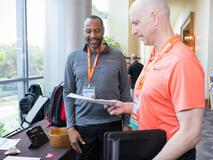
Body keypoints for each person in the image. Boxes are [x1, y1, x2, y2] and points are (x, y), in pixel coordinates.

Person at [106, 0, 205, 159]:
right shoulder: (154, 56)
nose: (133, 31)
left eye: (136, 23)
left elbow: (190, 133)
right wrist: (127, 107)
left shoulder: (182, 60)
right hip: (149, 147)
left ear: (154, 18)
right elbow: (159, 105)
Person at [63, 15, 131, 160]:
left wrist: (126, 124)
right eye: (88, 31)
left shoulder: (118, 56)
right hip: (84, 127)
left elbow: (125, 91)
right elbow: (68, 93)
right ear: (84, 32)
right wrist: (70, 128)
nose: (92, 35)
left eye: (97, 31)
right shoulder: (72, 58)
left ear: (103, 31)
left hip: (113, 123)